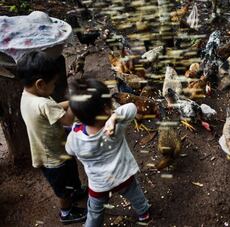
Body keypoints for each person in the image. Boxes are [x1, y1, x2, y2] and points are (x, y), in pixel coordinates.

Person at [66, 78, 150, 227]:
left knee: (95, 211)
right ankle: (144, 213)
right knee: (134, 194)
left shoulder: (75, 137)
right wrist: (114, 117)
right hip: (123, 176)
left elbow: (69, 150)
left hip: (99, 184)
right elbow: (131, 107)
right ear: (106, 108)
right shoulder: (116, 126)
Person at [16, 50, 87, 224]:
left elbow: (53, 107)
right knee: (63, 188)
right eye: (54, 84)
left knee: (70, 176)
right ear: (40, 84)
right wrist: (75, 99)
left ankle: (75, 191)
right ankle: (66, 212)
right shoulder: (43, 103)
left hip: (48, 150)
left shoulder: (27, 96)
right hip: (55, 157)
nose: (55, 87)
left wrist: (69, 103)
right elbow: (68, 119)